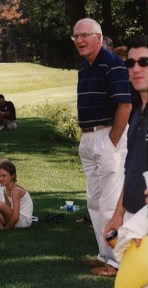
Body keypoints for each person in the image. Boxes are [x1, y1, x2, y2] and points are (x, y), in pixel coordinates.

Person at [72, 18, 132, 276]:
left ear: (98, 37)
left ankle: (117, 262)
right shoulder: (84, 68)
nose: (80, 40)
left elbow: (125, 105)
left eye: (85, 35)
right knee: (94, 203)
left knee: (109, 204)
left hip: (107, 137)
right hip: (88, 139)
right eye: (76, 36)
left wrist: (113, 141)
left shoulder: (113, 64)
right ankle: (104, 255)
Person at [102, 35, 148, 284]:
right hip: (135, 220)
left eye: (144, 61)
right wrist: (118, 215)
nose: (137, 68)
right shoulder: (138, 115)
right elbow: (131, 171)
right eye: (131, 63)